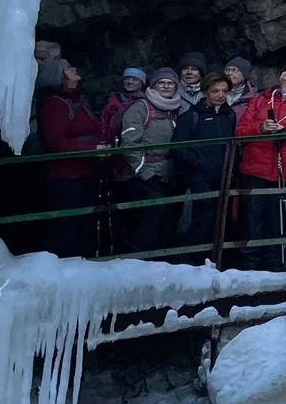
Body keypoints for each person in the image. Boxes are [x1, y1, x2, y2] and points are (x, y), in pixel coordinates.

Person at [237, 64, 286, 269]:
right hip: (255, 167)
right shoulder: (259, 100)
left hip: (285, 171)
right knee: (252, 217)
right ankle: (249, 261)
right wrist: (260, 128)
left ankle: (275, 259)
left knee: (277, 218)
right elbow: (240, 131)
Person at [36, 58, 102, 257]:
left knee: (82, 222)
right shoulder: (55, 104)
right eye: (67, 68)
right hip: (65, 176)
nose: (73, 68)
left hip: (85, 170)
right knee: (65, 225)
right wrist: (93, 146)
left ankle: (79, 262)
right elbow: (55, 142)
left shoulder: (77, 100)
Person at [118, 69, 187, 255]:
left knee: (171, 212)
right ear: (153, 85)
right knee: (154, 207)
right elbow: (130, 143)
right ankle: (142, 253)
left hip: (170, 173)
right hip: (142, 172)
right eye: (161, 82)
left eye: (170, 83)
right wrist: (145, 173)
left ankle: (164, 254)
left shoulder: (178, 109)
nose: (166, 86)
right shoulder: (141, 108)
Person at [169, 74, 237, 249]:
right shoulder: (191, 117)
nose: (220, 95)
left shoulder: (228, 115)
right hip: (200, 176)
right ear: (205, 92)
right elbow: (177, 148)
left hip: (224, 175)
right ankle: (191, 257)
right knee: (203, 216)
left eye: (224, 91)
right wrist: (199, 163)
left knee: (222, 217)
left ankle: (218, 257)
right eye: (215, 91)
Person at [98, 68, 148, 147]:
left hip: (133, 144)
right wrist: (102, 143)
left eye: (135, 79)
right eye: (127, 78)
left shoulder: (145, 104)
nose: (130, 82)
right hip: (110, 145)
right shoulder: (112, 100)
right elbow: (103, 123)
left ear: (142, 83)